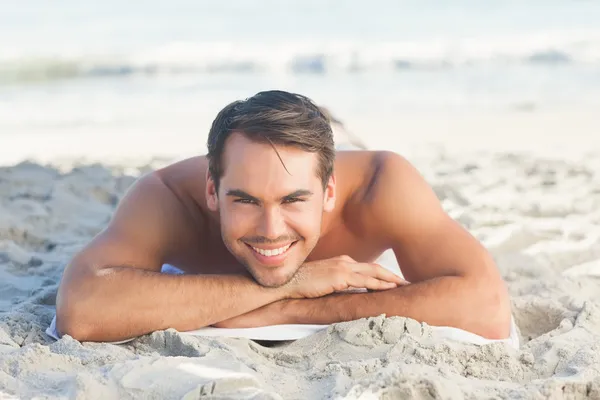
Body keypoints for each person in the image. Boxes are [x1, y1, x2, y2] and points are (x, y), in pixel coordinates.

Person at [55, 90, 512, 343]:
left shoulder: (380, 183)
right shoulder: (170, 196)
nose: (271, 231)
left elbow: (487, 307)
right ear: (213, 191)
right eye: (246, 201)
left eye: (294, 200)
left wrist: (293, 309)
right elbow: (82, 308)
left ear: (328, 192)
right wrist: (296, 279)